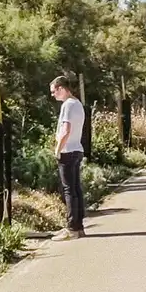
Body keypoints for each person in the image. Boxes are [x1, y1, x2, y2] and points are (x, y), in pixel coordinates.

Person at [50, 75, 86, 239]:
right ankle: (79, 226)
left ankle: (71, 228)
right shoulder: (78, 104)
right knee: (76, 189)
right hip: (77, 149)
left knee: (68, 190)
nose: (53, 95)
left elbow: (65, 130)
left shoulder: (67, 105)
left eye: (54, 91)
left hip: (67, 150)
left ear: (61, 88)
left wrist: (57, 149)